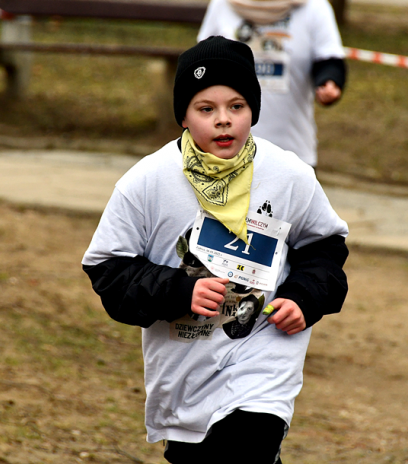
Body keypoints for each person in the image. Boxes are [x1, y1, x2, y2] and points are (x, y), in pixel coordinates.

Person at [82, 36, 349, 464]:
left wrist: (303, 297)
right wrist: (179, 291)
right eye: (206, 109)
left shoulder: (289, 176)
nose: (223, 121)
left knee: (249, 441)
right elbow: (108, 270)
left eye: (237, 107)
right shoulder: (147, 182)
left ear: (253, 112)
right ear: (184, 117)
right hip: (186, 363)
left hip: (264, 348)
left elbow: (324, 249)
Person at [197, 0, 348, 169]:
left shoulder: (314, 6)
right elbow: (202, 61)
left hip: (293, 153)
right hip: (227, 156)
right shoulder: (222, 4)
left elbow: (329, 59)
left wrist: (329, 82)